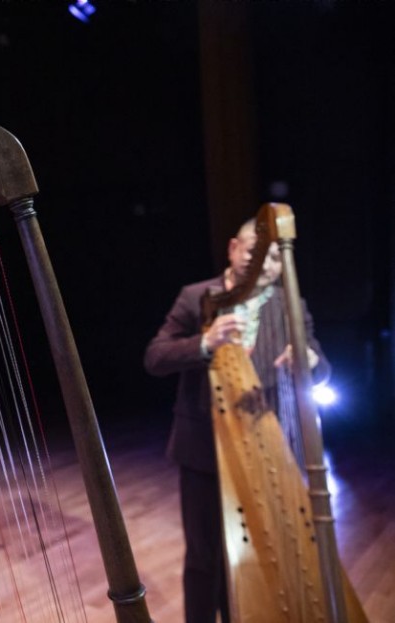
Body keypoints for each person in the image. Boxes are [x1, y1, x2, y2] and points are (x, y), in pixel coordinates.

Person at [143, 219, 330, 623]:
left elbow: (321, 367)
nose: (265, 264)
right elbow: (155, 357)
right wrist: (204, 343)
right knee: (204, 557)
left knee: (257, 554)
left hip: (266, 448)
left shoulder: (291, 304)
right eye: (254, 252)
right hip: (203, 449)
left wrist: (310, 361)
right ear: (232, 248)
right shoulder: (196, 297)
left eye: (275, 258)